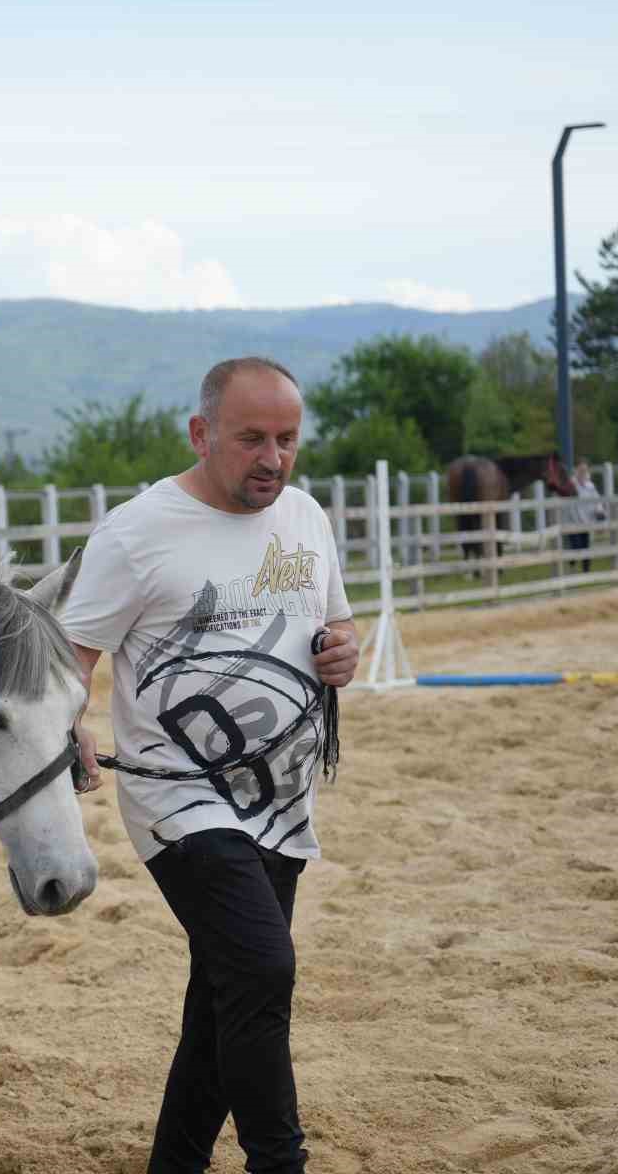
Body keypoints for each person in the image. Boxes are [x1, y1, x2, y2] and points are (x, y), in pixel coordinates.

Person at [60, 357, 358, 1174]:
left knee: (227, 999)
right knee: (263, 967)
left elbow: (338, 625)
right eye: (252, 438)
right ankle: (279, 1161)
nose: (273, 458)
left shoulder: (304, 516)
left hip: (284, 801)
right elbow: (69, 656)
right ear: (201, 434)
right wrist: (70, 724)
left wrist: (343, 653)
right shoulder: (135, 532)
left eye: (288, 440)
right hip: (179, 797)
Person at [562, 459, 606, 573]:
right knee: (576, 546)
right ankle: (571, 566)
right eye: (580, 470)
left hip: (586, 522)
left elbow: (597, 501)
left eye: (584, 470)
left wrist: (599, 512)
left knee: (586, 547)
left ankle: (586, 573)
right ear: (576, 470)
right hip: (572, 522)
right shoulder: (571, 485)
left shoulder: (590, 486)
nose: (582, 472)